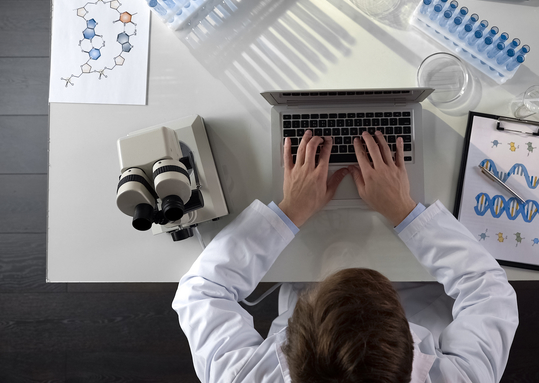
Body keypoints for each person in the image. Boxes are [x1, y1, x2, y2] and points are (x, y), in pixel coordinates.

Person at [173, 130, 519, 383]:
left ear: (288, 346)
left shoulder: (242, 378)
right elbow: (490, 291)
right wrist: (406, 211)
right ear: (407, 339)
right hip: (423, 289)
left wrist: (289, 212)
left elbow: (201, 290)